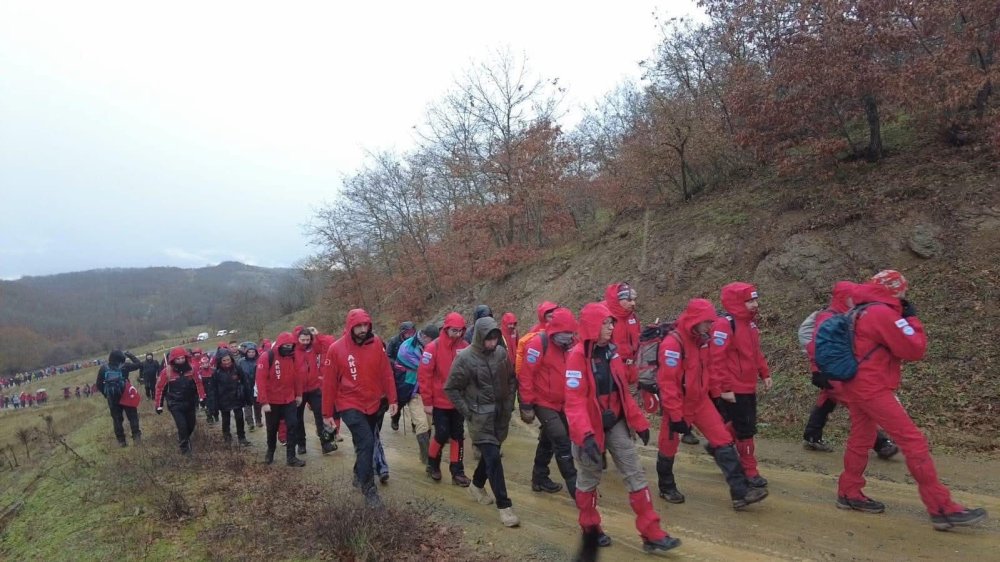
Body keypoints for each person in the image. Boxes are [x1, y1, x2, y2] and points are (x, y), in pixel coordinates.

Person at [834, 270, 987, 530]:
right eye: (903, 289)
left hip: (857, 384)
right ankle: (941, 507)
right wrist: (911, 318)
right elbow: (914, 349)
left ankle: (848, 492)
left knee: (860, 439)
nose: (906, 292)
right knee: (913, 441)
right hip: (874, 387)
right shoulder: (882, 313)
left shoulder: (860, 311)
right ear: (895, 289)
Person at [565, 302, 680, 557]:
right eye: (605, 323)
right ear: (593, 325)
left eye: (611, 323)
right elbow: (574, 402)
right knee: (588, 478)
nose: (610, 327)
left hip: (615, 422)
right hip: (589, 428)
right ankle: (590, 526)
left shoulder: (612, 353)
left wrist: (639, 423)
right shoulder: (576, 357)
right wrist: (585, 435)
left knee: (635, 472)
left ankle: (652, 533)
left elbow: (623, 393)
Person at [656, 298, 769, 509]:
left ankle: (741, 492)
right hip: (679, 405)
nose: (711, 325)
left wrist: (718, 394)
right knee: (668, 445)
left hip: (700, 401)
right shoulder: (673, 344)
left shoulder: (703, 341)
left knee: (723, 440)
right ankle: (666, 485)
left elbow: (709, 369)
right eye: (707, 321)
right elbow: (667, 383)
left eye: (711, 321)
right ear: (694, 320)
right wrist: (675, 415)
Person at [801, 282, 898, 458]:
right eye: (852, 297)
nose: (856, 300)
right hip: (832, 371)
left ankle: (812, 435)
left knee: (827, 400)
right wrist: (817, 371)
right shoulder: (828, 317)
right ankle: (881, 444)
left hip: (840, 369)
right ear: (843, 298)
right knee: (857, 403)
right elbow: (816, 346)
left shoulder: (848, 315)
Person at [445, 316, 519, 527]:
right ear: (479, 337)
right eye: (488, 338)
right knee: (494, 458)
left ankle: (477, 485)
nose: (492, 343)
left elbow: (512, 379)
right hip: (479, 417)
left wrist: (509, 401)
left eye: (495, 338)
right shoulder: (465, 358)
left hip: (500, 415)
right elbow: (451, 388)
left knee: (489, 457)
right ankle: (505, 507)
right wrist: (467, 411)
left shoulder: (501, 354)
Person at [322, 309, 398, 507]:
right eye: (358, 326)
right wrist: (327, 413)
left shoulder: (377, 344)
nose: (363, 329)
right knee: (366, 441)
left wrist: (393, 399)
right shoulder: (336, 349)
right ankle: (369, 489)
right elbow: (329, 383)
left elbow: (386, 373)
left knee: (367, 442)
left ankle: (358, 473)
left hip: (373, 402)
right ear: (350, 327)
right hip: (349, 403)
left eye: (366, 325)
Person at [709, 282, 772, 488]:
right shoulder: (724, 325)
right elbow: (717, 360)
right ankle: (750, 470)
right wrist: (725, 388)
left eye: (755, 299)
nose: (754, 304)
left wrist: (764, 373)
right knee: (746, 430)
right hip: (734, 387)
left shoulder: (750, 325)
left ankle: (718, 442)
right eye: (749, 301)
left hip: (748, 385)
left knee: (740, 424)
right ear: (736, 302)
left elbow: (755, 352)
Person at [517, 307, 582, 498]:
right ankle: (576, 487)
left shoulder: (573, 344)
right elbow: (526, 376)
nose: (568, 337)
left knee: (548, 439)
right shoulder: (537, 344)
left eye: (571, 333)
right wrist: (526, 404)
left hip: (564, 402)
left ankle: (539, 477)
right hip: (543, 401)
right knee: (561, 440)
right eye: (565, 333)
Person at [418, 312, 472, 485]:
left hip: (458, 401)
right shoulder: (432, 347)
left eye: (460, 331)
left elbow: (470, 372)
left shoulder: (465, 346)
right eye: (454, 330)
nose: (457, 334)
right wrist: (427, 402)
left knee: (458, 435)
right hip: (439, 401)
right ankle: (433, 464)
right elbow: (424, 376)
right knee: (441, 434)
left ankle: (458, 471)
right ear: (446, 329)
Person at [256, 332, 306, 467]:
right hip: (272, 401)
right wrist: (264, 401)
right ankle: (270, 452)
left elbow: (297, 377)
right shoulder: (267, 357)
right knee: (272, 429)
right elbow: (260, 380)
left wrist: (299, 394)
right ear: (279, 345)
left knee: (292, 425)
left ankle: (291, 457)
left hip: (289, 399)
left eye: (290, 345)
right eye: (286, 345)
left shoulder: (293, 357)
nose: (288, 348)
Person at [394, 324, 439, 463]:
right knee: (422, 423)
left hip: (429, 390)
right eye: (432, 340)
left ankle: (427, 454)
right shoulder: (407, 348)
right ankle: (427, 459)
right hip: (412, 389)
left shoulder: (433, 345)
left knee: (429, 422)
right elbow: (425, 367)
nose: (434, 344)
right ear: (424, 337)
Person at [291, 326, 336, 455]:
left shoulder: (313, 347)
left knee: (321, 416)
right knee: (298, 418)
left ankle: (325, 443)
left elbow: (328, 346)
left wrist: (318, 335)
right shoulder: (293, 349)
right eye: (302, 339)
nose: (305, 342)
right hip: (298, 390)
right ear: (298, 338)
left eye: (307, 339)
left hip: (314, 387)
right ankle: (301, 444)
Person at [155, 347, 207, 454]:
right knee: (182, 426)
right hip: (175, 404)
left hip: (190, 402)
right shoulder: (166, 372)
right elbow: (160, 388)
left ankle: (183, 438)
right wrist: (158, 405)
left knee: (191, 425)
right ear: (173, 360)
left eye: (182, 358)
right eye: (178, 359)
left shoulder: (192, 369)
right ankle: (185, 449)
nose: (180, 361)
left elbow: (198, 384)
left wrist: (202, 397)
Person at [96, 350, 144, 447]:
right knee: (133, 416)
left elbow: (98, 384)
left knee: (117, 419)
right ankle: (136, 438)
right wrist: (130, 354)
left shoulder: (103, 368)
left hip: (112, 397)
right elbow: (139, 364)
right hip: (126, 394)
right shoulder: (125, 366)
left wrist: (106, 394)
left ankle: (121, 441)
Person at [210, 349, 253, 446]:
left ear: (231, 359)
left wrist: (248, 397)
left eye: (228, 360)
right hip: (223, 399)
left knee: (239, 418)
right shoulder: (216, 373)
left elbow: (245, 383)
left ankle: (242, 437)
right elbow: (213, 390)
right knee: (226, 420)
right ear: (220, 361)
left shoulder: (237, 369)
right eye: (224, 361)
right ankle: (227, 438)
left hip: (237, 397)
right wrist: (214, 405)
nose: (226, 362)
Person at [386, 321, 416, 431]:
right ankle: (395, 418)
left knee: (415, 398)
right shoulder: (394, 341)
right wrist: (396, 364)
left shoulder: (415, 342)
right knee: (400, 400)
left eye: (412, 332)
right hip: (398, 374)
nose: (410, 335)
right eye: (407, 333)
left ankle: (415, 423)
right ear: (402, 333)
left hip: (412, 373)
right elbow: (387, 357)